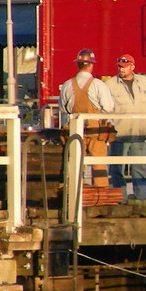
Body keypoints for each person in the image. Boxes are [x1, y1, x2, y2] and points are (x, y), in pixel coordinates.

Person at [106, 53, 146, 201]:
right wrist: (108, 130)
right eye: (119, 67)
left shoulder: (144, 82)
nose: (121, 70)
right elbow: (107, 110)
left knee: (140, 170)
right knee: (117, 170)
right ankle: (120, 200)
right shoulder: (110, 85)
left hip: (139, 133)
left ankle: (141, 200)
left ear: (132, 67)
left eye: (124, 67)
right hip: (119, 135)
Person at [59, 48, 116, 187]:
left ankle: (76, 195)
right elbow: (108, 107)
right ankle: (100, 196)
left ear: (77, 64)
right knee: (99, 166)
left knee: (76, 164)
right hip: (95, 130)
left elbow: (63, 108)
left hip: (75, 129)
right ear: (91, 65)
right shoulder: (98, 85)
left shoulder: (67, 85)